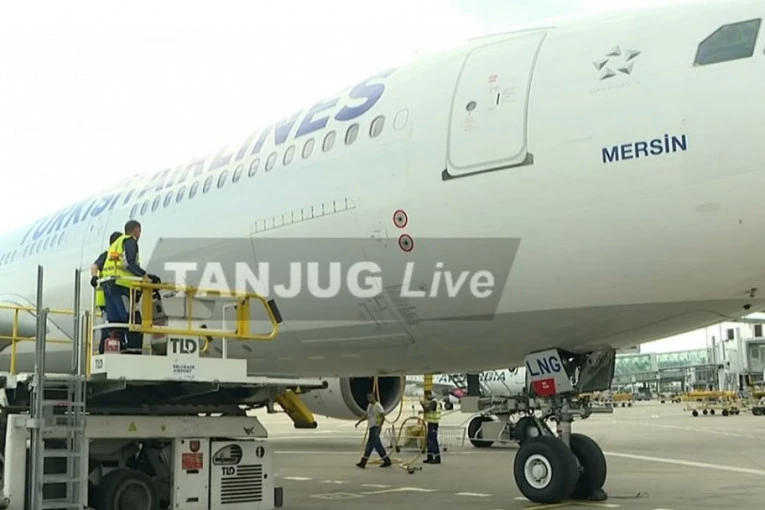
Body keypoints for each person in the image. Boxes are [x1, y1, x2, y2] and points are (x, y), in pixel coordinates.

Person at [101, 220, 161, 353]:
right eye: (139, 232)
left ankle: (117, 349)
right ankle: (133, 351)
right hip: (121, 286)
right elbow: (129, 263)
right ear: (136, 231)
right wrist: (145, 276)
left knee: (115, 323)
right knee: (134, 319)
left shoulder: (115, 245)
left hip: (109, 286)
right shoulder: (129, 241)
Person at [90, 231, 122, 353]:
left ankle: (113, 347)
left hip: (113, 296)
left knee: (113, 324)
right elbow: (94, 266)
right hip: (107, 297)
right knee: (108, 325)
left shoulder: (119, 256)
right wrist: (94, 277)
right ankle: (103, 349)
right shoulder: (107, 255)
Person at [354, 392, 392, 468]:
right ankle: (386, 460)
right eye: (368, 397)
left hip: (376, 427)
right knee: (375, 445)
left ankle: (363, 462)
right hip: (371, 427)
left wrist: (380, 427)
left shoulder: (378, 406)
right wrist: (359, 422)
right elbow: (367, 416)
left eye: (370, 397)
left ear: (374, 397)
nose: (369, 399)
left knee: (371, 445)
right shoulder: (369, 406)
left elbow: (383, 417)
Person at [421, 390, 442, 464]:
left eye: (426, 396)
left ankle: (437, 457)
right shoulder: (435, 402)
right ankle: (429, 457)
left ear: (429, 394)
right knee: (429, 441)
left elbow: (427, 409)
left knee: (432, 441)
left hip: (433, 424)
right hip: (431, 424)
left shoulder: (434, 402)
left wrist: (422, 404)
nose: (426, 398)